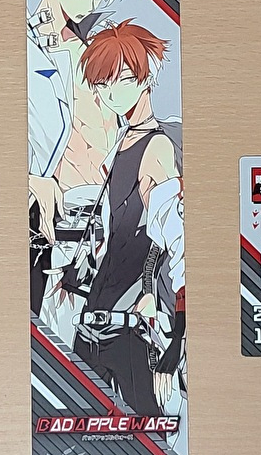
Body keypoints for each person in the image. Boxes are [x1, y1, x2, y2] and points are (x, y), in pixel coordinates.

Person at [67, 21, 185, 419]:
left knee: (146, 434)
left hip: (135, 324)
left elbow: (177, 245)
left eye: (122, 80)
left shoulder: (157, 149)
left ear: (146, 77)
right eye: (102, 84)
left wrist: (176, 341)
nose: (110, 92)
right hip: (97, 319)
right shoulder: (122, 141)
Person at [26, 0, 124, 318]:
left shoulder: (91, 49)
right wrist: (29, 179)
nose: (88, 4)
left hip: (99, 211)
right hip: (46, 216)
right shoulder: (23, 47)